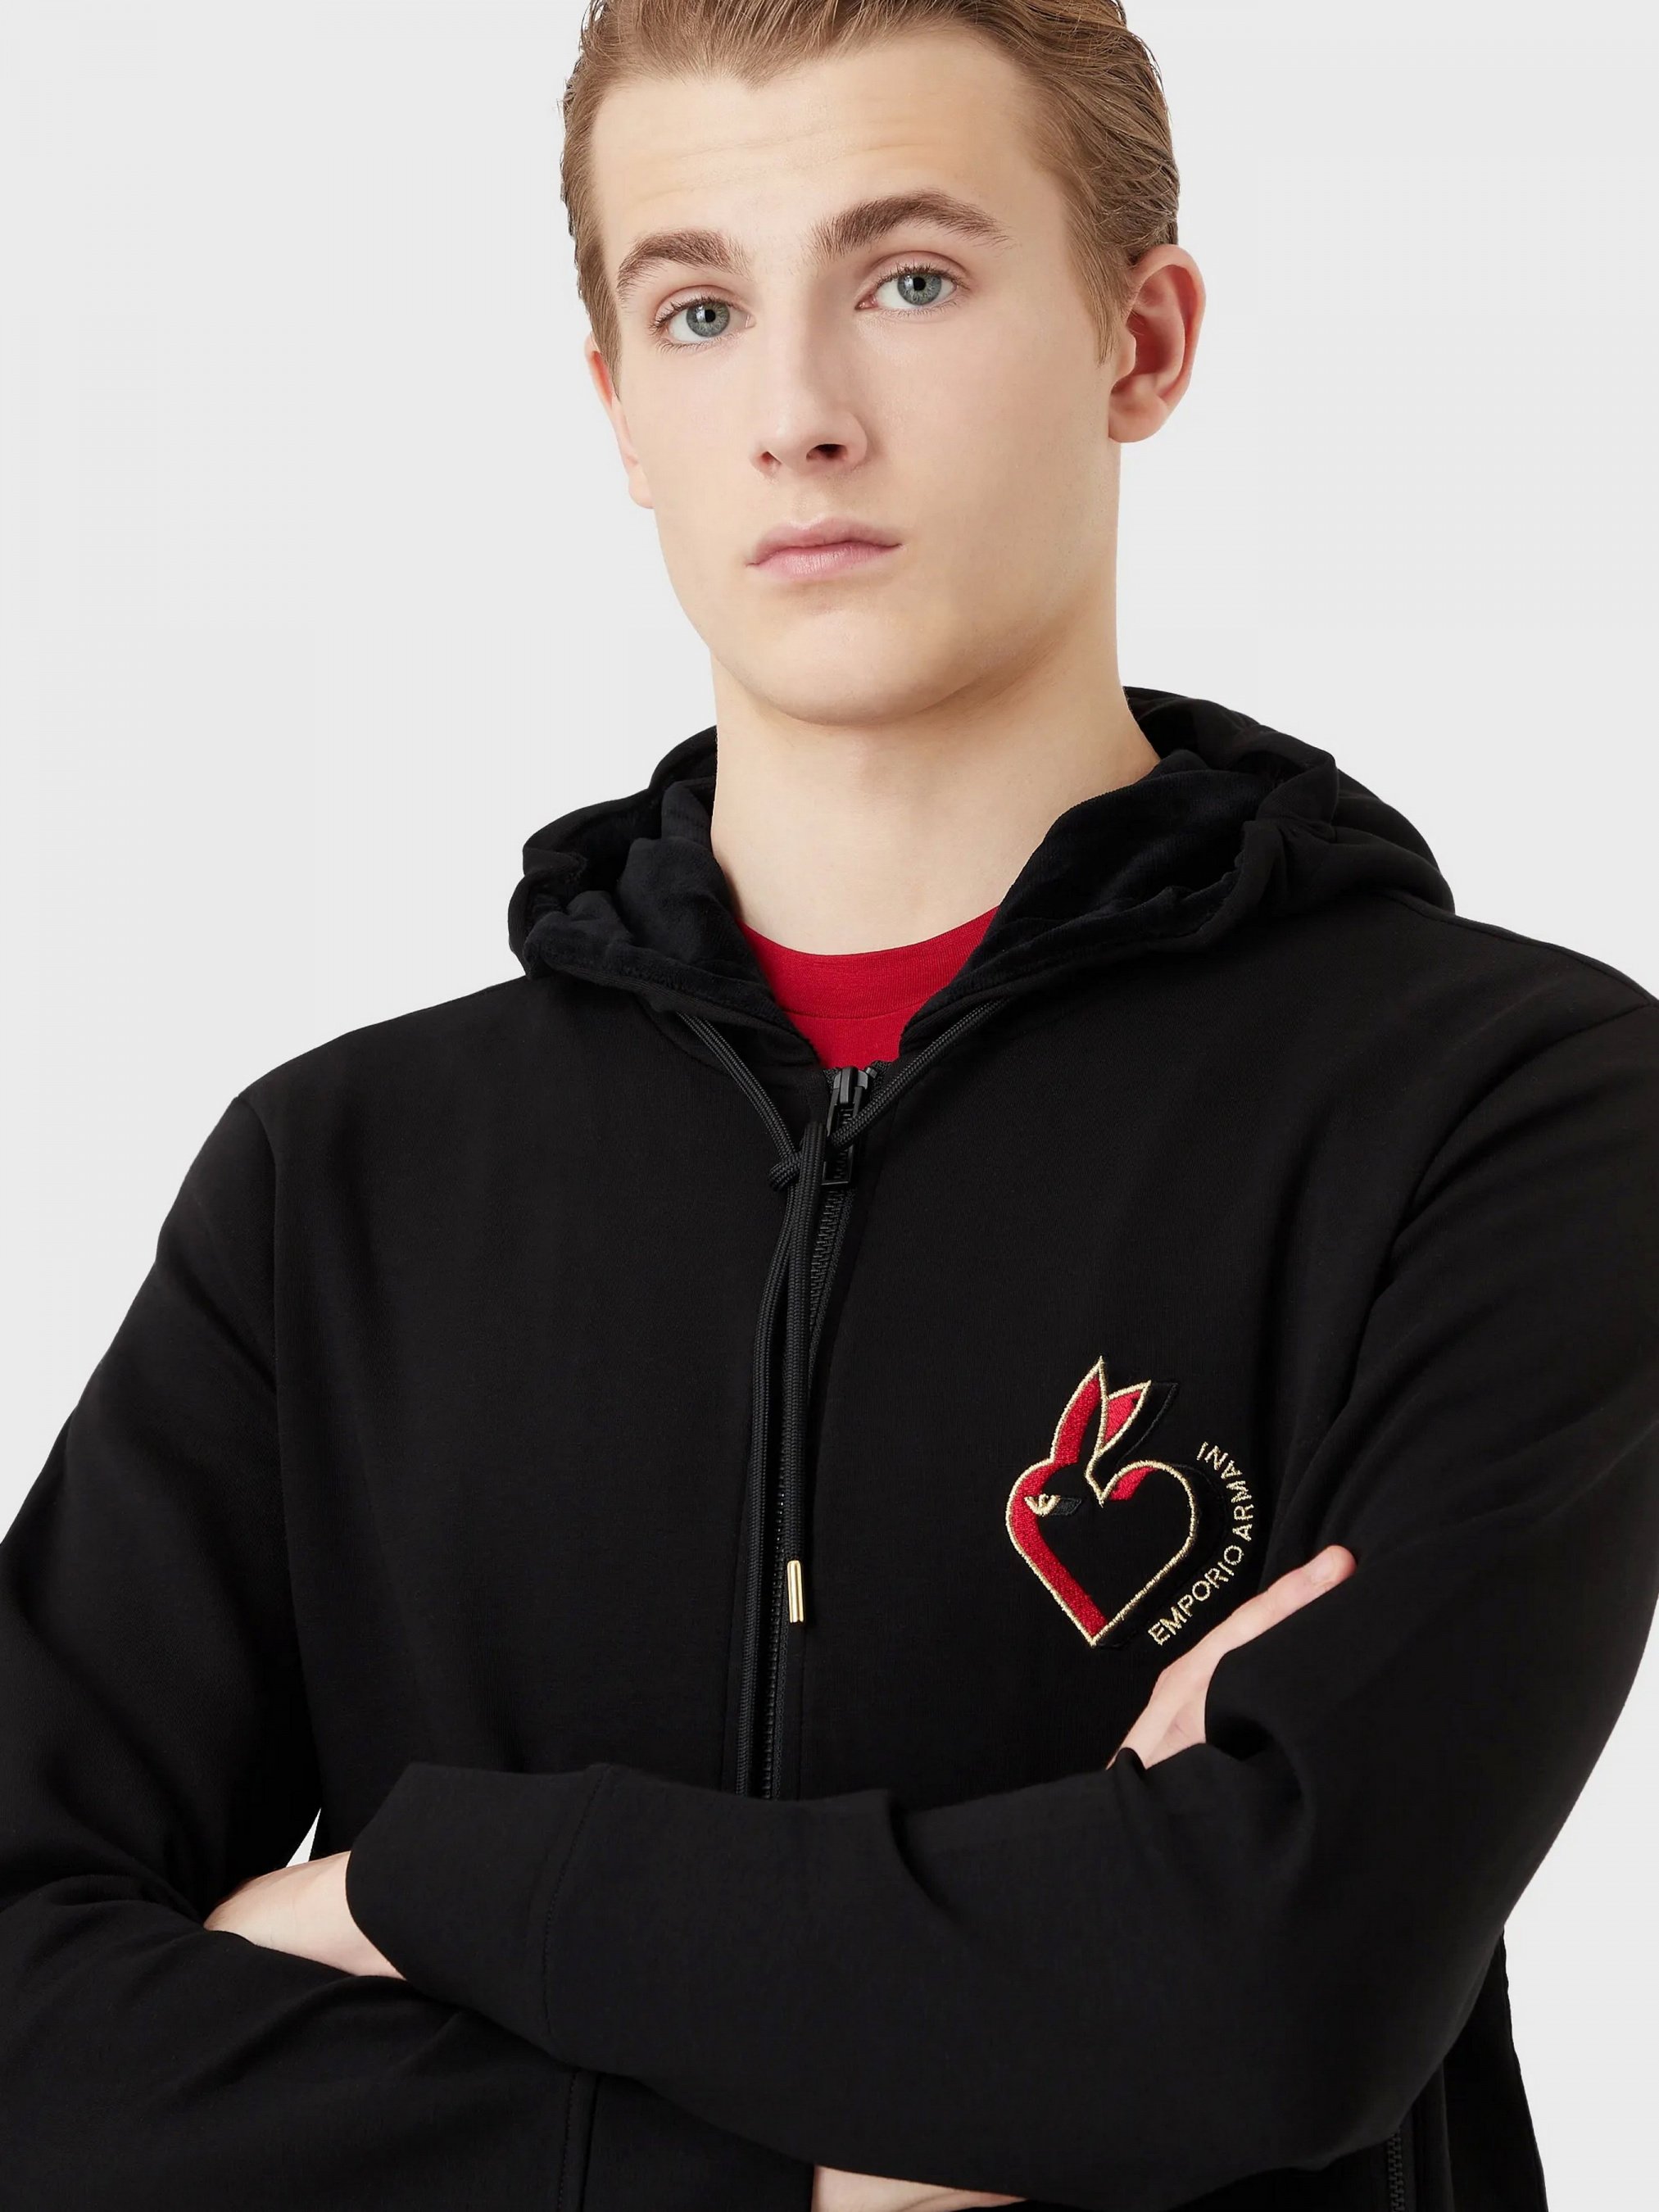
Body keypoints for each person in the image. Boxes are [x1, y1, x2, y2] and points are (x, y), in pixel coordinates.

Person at [2, 4, 1656, 2209]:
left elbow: (1266, 1996)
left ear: (1142, 340)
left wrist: (415, 1882)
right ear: (619, 404)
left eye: (911, 278)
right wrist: (773, 2169)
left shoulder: (1506, 1108)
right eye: (698, 310)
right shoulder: (338, 1185)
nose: (796, 414)